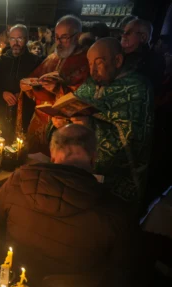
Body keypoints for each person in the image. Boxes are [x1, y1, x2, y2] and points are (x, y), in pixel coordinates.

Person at [0, 124, 143, 287]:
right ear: (93, 159)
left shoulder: (16, 182)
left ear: (53, 156)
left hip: (15, 286)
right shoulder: (113, 211)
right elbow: (120, 272)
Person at [55, 38, 153, 203]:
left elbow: (131, 142)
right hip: (81, 173)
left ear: (117, 60)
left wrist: (88, 126)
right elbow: (73, 106)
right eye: (89, 63)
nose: (92, 70)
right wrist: (63, 122)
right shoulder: (91, 83)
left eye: (98, 63)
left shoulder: (137, 88)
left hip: (118, 184)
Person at [21, 15, 89, 155]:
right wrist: (27, 86)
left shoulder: (87, 61)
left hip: (65, 127)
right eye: (56, 37)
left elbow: (85, 98)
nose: (58, 42)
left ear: (78, 36)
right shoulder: (52, 58)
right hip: (39, 123)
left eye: (64, 37)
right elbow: (34, 78)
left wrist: (58, 88)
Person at [0, 24, 41, 140]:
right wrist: (2, 93)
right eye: (12, 38)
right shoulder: (0, 61)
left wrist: (24, 95)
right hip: (2, 113)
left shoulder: (35, 62)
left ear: (27, 39)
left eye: (20, 38)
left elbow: (40, 87)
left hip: (26, 114)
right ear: (9, 39)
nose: (16, 42)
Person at [121, 18, 166, 94]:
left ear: (143, 37)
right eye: (123, 32)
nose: (123, 36)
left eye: (128, 33)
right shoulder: (123, 54)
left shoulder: (154, 61)